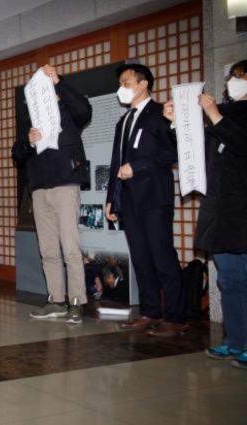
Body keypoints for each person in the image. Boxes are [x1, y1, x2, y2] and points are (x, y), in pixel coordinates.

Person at [164, 59, 247, 368]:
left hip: (243, 208)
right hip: (220, 210)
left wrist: (215, 116)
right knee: (229, 279)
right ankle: (235, 341)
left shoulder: (221, 116)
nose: (234, 82)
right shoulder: (223, 114)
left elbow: (242, 144)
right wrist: (177, 123)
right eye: (233, 77)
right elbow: (194, 153)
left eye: (241, 77)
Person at [105, 63, 186, 337]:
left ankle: (176, 317)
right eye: (120, 83)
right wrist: (111, 198)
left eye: (126, 83)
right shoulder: (124, 121)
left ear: (143, 84)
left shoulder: (160, 113)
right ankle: (150, 311)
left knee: (162, 257)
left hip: (154, 196)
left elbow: (172, 151)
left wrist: (137, 166)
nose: (122, 88)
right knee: (140, 258)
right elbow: (116, 162)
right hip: (129, 198)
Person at [12, 64, 92, 324]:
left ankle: (76, 302)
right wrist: (29, 142)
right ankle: (56, 300)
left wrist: (59, 82)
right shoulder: (29, 122)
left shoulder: (69, 111)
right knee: (47, 249)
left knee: (70, 247)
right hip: (39, 188)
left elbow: (85, 110)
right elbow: (17, 155)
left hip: (66, 185)